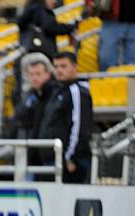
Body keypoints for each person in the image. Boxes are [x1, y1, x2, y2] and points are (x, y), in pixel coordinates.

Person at [39, 51, 93, 183]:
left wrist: (71, 158)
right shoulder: (57, 90)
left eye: (63, 66)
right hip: (53, 158)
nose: (59, 70)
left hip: (67, 162)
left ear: (75, 67)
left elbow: (79, 125)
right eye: (56, 67)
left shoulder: (76, 91)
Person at [11, 53, 59, 178]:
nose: (34, 78)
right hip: (30, 154)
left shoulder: (55, 94)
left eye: (38, 74)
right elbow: (18, 118)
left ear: (48, 73)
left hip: (49, 154)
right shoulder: (30, 96)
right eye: (31, 74)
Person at [85, 0, 135, 70]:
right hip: (111, 18)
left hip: (129, 23)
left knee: (132, 63)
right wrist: (89, 2)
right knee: (106, 59)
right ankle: (106, 80)